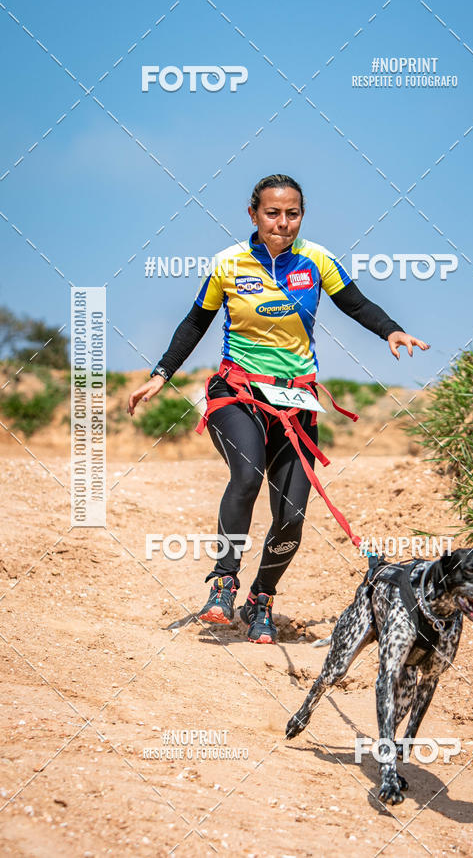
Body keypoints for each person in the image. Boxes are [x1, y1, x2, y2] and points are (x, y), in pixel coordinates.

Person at [128, 174, 429, 644]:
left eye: (292, 214)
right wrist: (160, 374)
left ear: (301, 217)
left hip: (297, 401)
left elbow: (355, 303)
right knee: (245, 475)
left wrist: (391, 330)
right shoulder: (229, 263)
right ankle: (224, 583)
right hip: (237, 392)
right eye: (272, 213)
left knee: (291, 516)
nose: (282, 223)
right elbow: (195, 322)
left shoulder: (316, 258)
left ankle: (261, 600)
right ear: (254, 215)